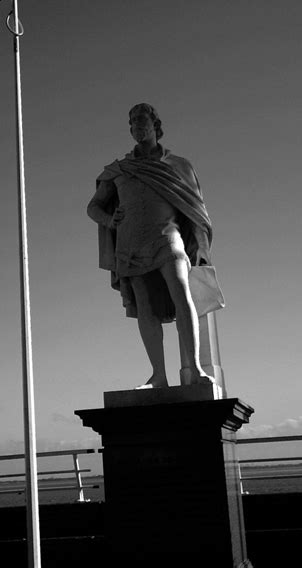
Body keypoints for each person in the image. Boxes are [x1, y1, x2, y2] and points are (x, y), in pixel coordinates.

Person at [87, 103, 217, 389]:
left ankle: (194, 369)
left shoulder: (178, 165)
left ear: (156, 126)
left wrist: (201, 248)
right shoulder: (119, 170)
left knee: (182, 292)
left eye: (142, 121)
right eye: (132, 123)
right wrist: (110, 220)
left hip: (168, 238)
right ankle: (158, 376)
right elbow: (93, 207)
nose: (137, 126)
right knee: (144, 305)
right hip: (131, 243)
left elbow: (195, 209)